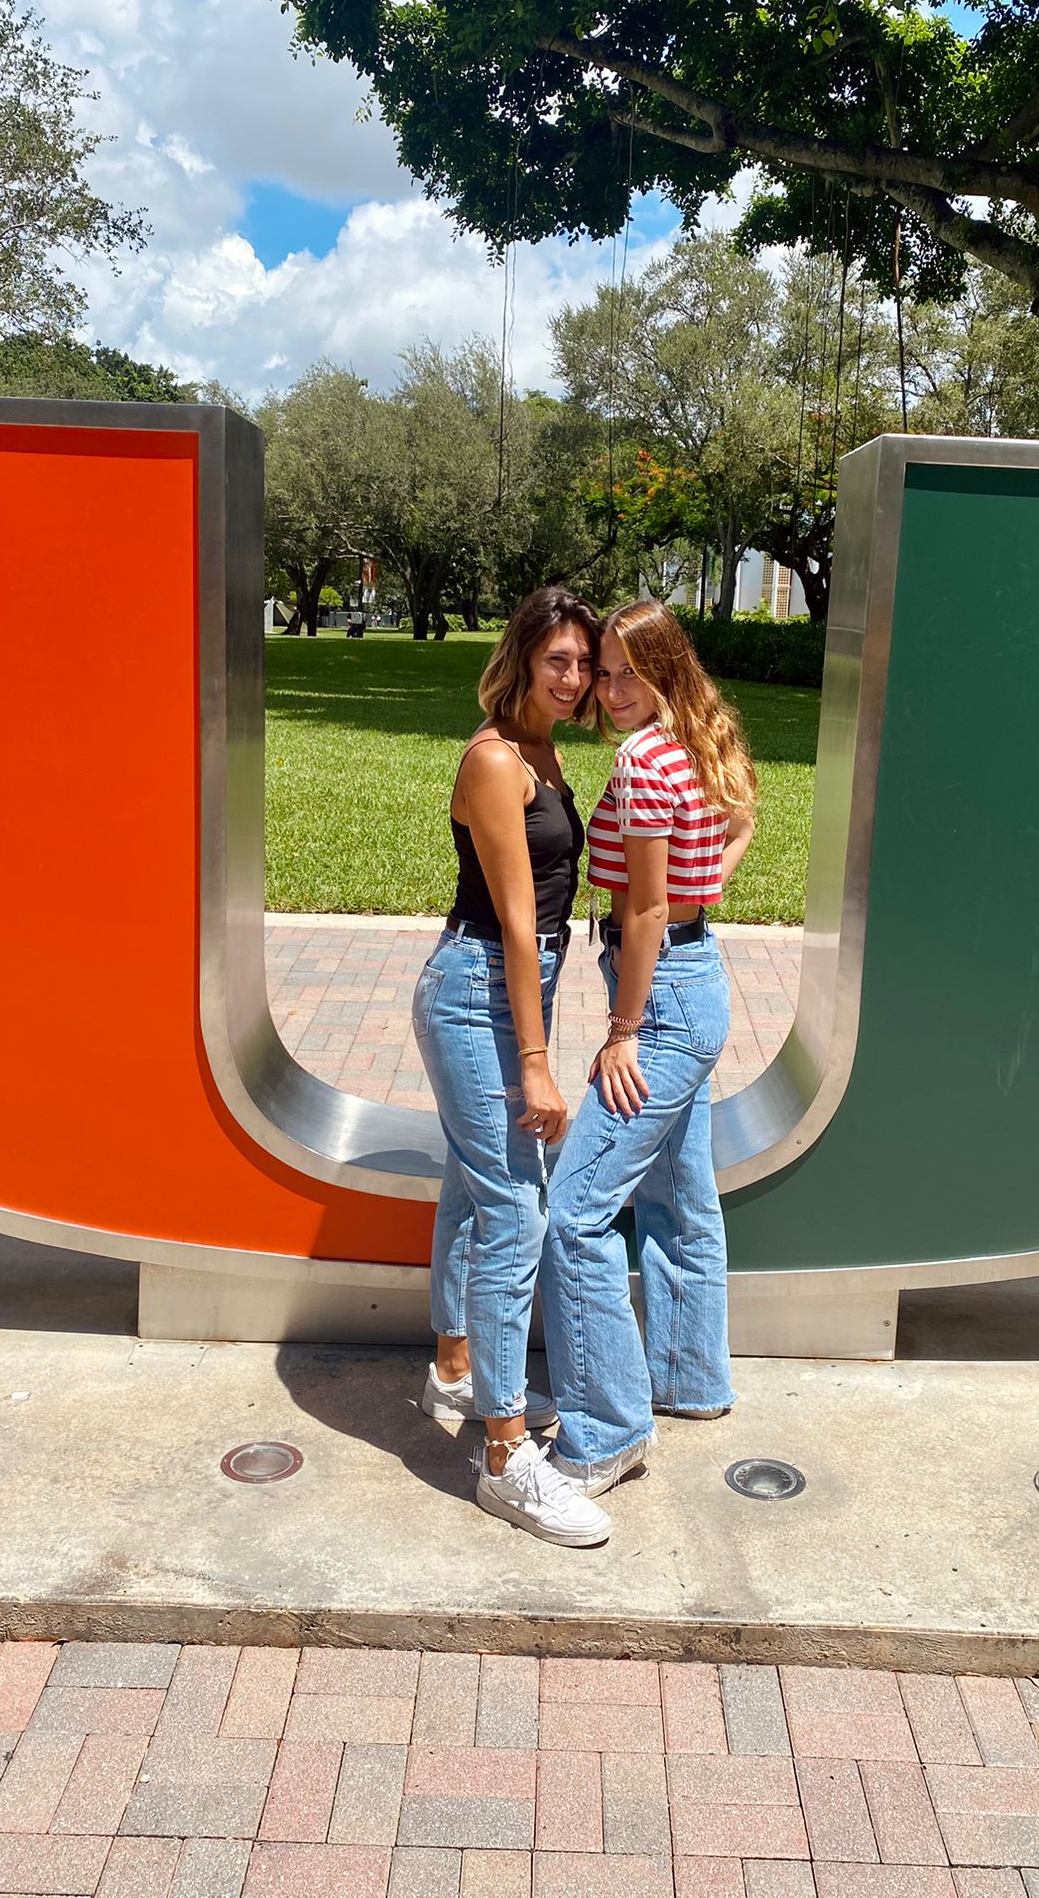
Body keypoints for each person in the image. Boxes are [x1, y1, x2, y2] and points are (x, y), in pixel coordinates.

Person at [539, 598, 758, 1502]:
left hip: (662, 1001)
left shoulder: (641, 761)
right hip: (695, 978)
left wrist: (623, 1031)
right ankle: (689, 1381)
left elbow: (642, 912)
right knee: (678, 1197)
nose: (615, 691)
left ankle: (607, 1431)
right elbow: (742, 824)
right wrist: (702, 902)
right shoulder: (700, 746)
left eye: (633, 673)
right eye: (607, 672)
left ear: (666, 671)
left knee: (576, 1214)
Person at [411, 587, 613, 1546]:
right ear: (523, 659)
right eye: (558, 663)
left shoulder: (543, 752)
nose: (574, 680)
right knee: (517, 1209)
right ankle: (503, 1457)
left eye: (584, 664)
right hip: (477, 992)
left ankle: (455, 1363)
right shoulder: (494, 761)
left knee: (474, 1182)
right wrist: (537, 1062)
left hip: (500, 989)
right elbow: (520, 925)